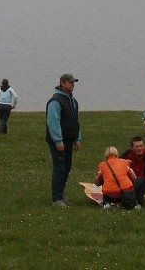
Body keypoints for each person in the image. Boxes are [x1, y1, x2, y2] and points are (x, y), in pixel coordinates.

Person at [45, 73, 81, 208]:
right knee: (60, 168)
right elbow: (53, 122)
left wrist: (77, 138)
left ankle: (61, 196)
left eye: (73, 82)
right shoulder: (55, 101)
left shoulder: (73, 101)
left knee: (66, 168)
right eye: (70, 82)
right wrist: (58, 141)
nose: (72, 84)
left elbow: (75, 122)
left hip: (69, 140)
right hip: (58, 142)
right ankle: (56, 199)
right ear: (62, 83)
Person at [120, 136, 145, 204]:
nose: (139, 148)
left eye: (141, 146)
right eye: (136, 146)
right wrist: (124, 163)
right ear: (132, 148)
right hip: (133, 180)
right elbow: (117, 163)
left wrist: (132, 185)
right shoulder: (127, 153)